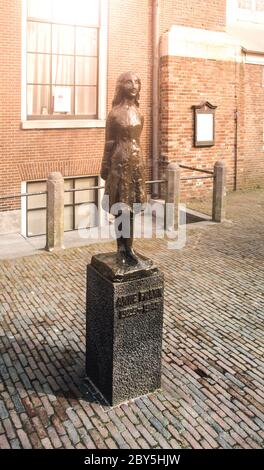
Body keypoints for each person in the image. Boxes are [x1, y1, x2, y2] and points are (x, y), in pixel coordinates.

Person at [100, 71, 147, 267]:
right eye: (129, 82)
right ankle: (121, 248)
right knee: (121, 208)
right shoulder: (114, 114)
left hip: (136, 162)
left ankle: (130, 248)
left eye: (136, 82)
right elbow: (109, 141)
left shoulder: (139, 113)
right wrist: (104, 165)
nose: (133, 85)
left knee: (132, 208)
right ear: (121, 86)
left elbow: (138, 139)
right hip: (119, 161)